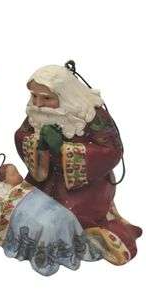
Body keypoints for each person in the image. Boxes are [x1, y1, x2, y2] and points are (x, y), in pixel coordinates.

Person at [14, 64, 142, 264]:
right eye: (34, 96)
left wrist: (63, 149)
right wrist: (37, 143)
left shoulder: (92, 115)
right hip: (43, 179)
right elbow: (21, 134)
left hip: (85, 187)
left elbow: (112, 151)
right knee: (23, 206)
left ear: (65, 95)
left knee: (68, 218)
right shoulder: (37, 113)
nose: (38, 104)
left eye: (46, 98)